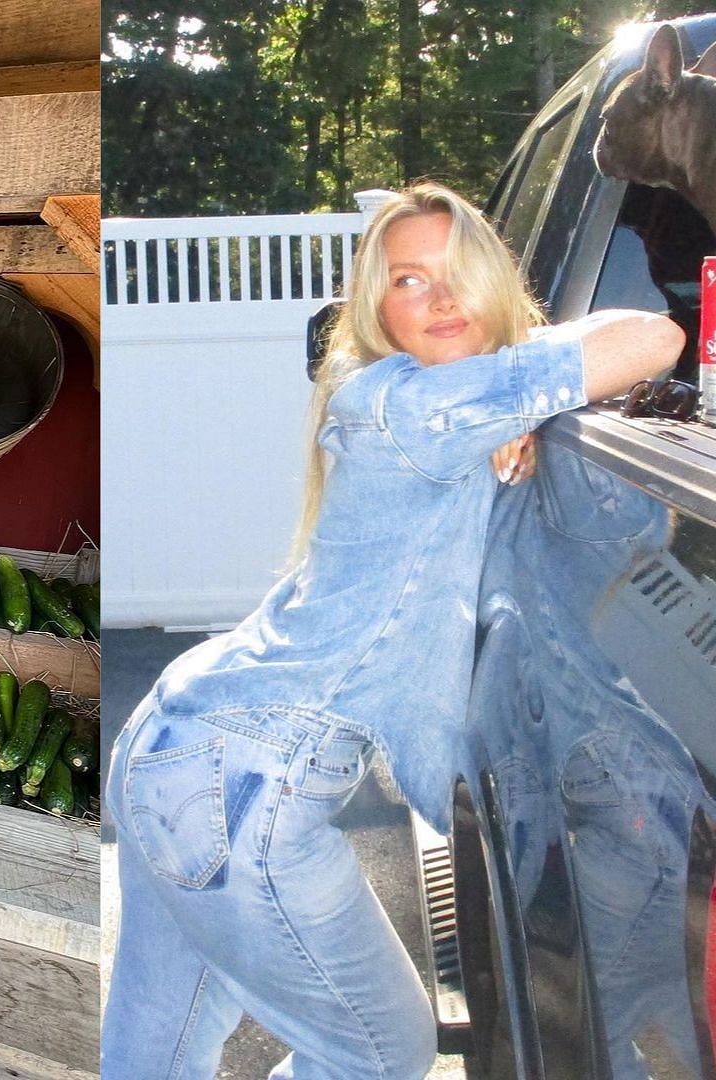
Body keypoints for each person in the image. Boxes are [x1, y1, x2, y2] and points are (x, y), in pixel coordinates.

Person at [100, 183, 684, 1080]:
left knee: (161, 1048)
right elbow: (655, 337)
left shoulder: (424, 404)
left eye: (460, 276)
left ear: (497, 281)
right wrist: (516, 388)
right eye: (411, 280)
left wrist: (515, 402)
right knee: (381, 1051)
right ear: (378, 306)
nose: (442, 301)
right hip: (240, 788)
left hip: (173, 750)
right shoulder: (411, 409)